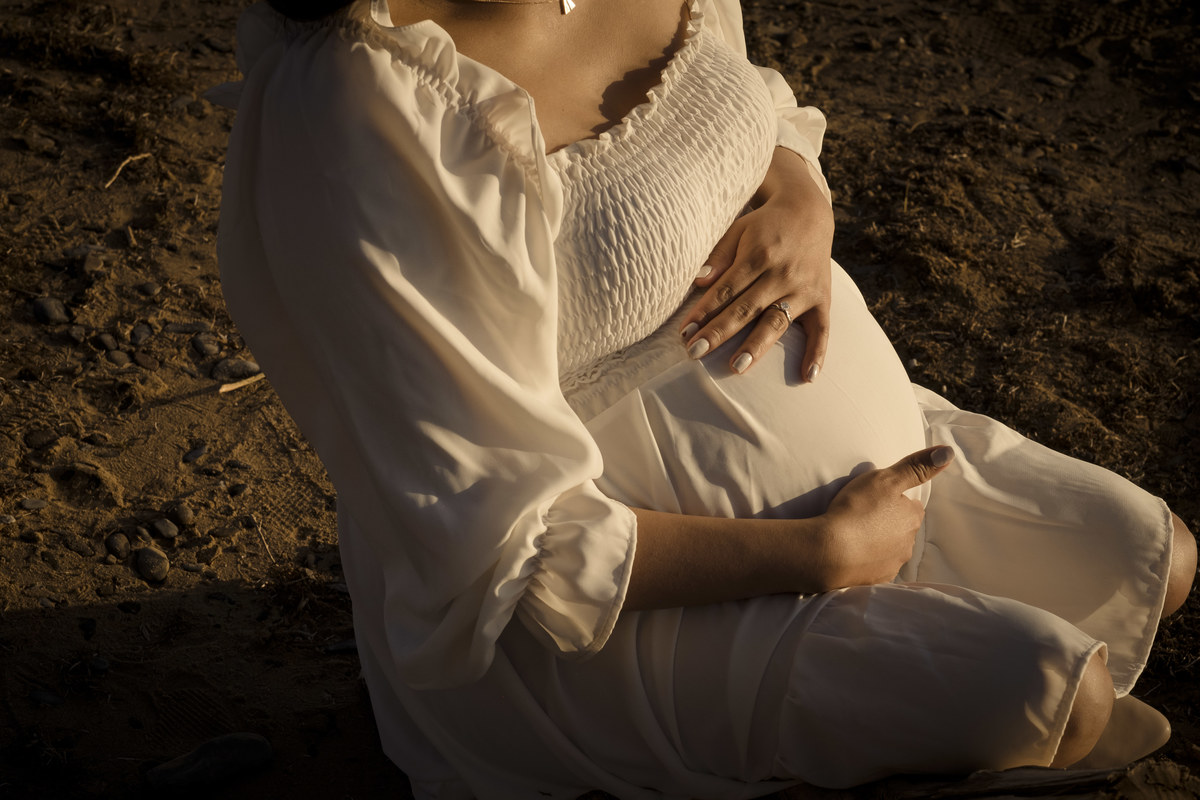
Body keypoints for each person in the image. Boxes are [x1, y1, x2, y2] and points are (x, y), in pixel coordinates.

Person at [211, 0, 1197, 797]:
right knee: (1060, 697)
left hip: (881, 476)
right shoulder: (356, 105)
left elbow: (741, 102)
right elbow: (502, 533)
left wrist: (800, 187)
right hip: (622, 606)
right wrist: (817, 552)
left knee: (1160, 560)